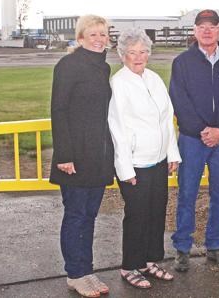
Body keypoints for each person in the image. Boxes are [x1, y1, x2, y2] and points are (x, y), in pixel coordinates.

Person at [169, 9, 219, 272]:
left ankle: (215, 245)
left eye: (212, 26)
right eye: (201, 26)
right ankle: (182, 248)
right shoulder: (182, 62)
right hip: (192, 139)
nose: (207, 30)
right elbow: (180, 101)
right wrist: (203, 130)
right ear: (194, 31)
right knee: (187, 194)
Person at [108, 28, 182, 289]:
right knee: (137, 214)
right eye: (132, 52)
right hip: (135, 164)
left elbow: (166, 118)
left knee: (156, 211)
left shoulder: (153, 79)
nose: (138, 57)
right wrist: (125, 168)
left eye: (143, 52)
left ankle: (149, 261)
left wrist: (172, 153)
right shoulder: (119, 83)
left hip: (158, 160)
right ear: (122, 55)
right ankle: (129, 265)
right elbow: (117, 129)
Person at [49, 14, 114, 298]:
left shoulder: (104, 68)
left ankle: (87, 270)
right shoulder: (68, 65)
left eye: (103, 34)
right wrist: (64, 154)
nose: (99, 39)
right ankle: (75, 273)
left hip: (98, 154)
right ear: (80, 38)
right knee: (75, 215)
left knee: (89, 216)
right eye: (93, 34)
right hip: (73, 155)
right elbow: (58, 111)